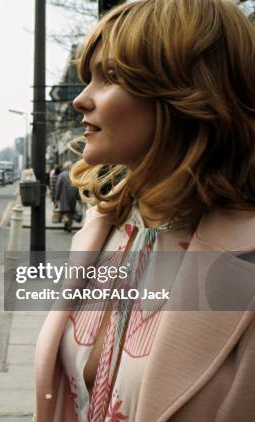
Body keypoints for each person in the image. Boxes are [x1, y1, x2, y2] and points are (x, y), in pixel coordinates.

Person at [34, 1, 255, 421]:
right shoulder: (104, 227)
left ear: (186, 91)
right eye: (89, 77)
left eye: (111, 76)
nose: (81, 100)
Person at [55, 161, 79, 232]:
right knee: (71, 212)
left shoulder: (62, 175)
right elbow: (77, 185)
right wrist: (78, 196)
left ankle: (66, 220)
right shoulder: (74, 174)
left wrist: (57, 197)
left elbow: (58, 186)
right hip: (73, 195)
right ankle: (69, 227)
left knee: (65, 211)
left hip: (64, 196)